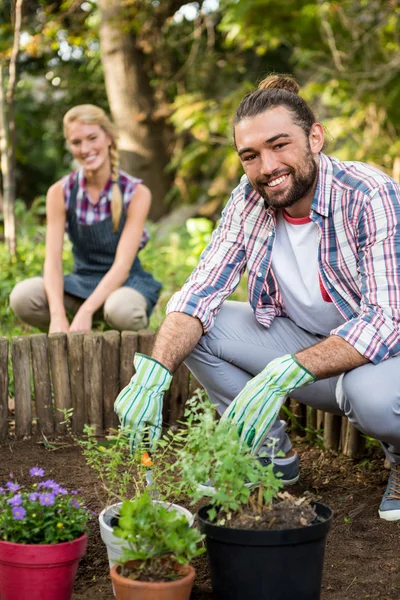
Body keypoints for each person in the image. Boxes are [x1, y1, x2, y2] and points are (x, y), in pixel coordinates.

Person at [114, 75, 400, 521]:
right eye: (251, 155)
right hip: (308, 349)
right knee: (194, 331)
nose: (267, 166)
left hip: (380, 359)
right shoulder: (249, 200)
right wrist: (155, 372)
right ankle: (270, 459)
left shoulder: (367, 193)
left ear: (315, 137)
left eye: (279, 145)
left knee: (375, 399)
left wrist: (286, 371)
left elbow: (386, 319)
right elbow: (200, 291)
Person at [10, 104, 161, 333]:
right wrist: (57, 315)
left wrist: (86, 311)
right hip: (80, 284)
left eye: (92, 138)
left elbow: (122, 267)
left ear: (109, 137)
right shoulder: (60, 193)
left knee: (122, 310)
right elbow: (53, 262)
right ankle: (72, 337)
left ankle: (110, 333)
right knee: (22, 296)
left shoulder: (136, 193)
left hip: (125, 285)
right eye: (76, 142)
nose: (86, 148)